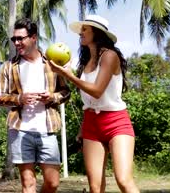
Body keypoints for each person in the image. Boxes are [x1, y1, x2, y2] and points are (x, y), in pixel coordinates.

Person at [48, 15, 139, 193]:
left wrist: (68, 75)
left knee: (123, 180)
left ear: (96, 33)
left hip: (116, 121)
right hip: (91, 123)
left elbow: (97, 90)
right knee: (95, 187)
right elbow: (89, 100)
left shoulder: (110, 56)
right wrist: (83, 127)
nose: (80, 33)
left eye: (85, 29)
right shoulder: (86, 61)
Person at [0, 18, 70, 193]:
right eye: (14, 39)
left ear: (33, 38)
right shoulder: (9, 67)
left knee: (52, 182)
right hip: (20, 130)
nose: (16, 42)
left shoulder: (51, 63)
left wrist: (52, 97)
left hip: (47, 129)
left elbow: (66, 92)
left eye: (20, 38)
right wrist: (19, 99)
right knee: (28, 183)